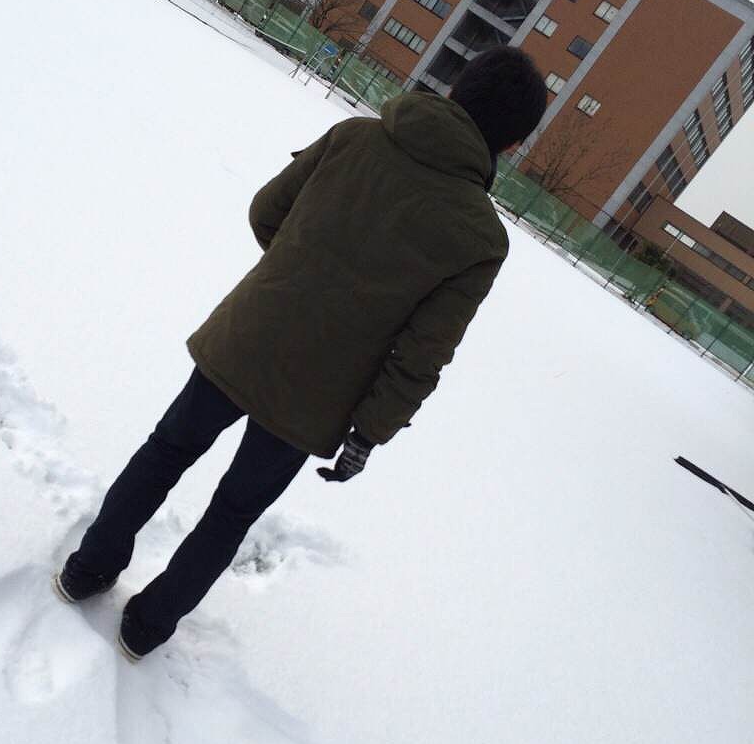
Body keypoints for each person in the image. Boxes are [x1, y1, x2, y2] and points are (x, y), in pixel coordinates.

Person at [53, 46, 548, 660]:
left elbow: (267, 211)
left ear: (455, 90)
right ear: (513, 144)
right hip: (317, 396)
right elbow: (422, 354)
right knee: (233, 511)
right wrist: (368, 434)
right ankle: (147, 627)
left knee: (165, 452)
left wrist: (295, 275)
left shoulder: (355, 138)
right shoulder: (480, 237)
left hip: (246, 336)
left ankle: (88, 570)